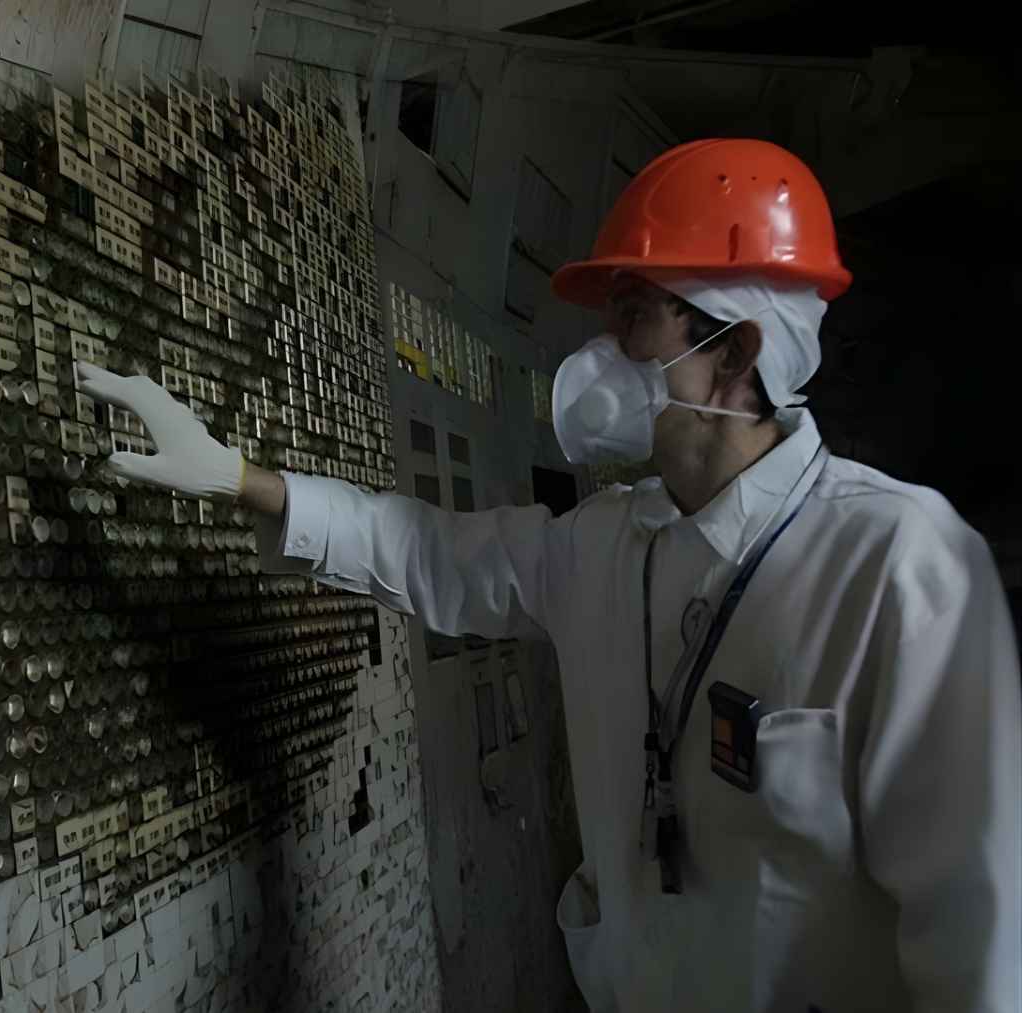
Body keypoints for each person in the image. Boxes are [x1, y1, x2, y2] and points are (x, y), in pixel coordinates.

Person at [75, 138, 1020, 1012]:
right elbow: (427, 552)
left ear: (735, 349)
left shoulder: (900, 567)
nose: (606, 348)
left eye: (635, 312)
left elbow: (979, 947)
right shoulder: (606, 543)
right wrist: (239, 478)